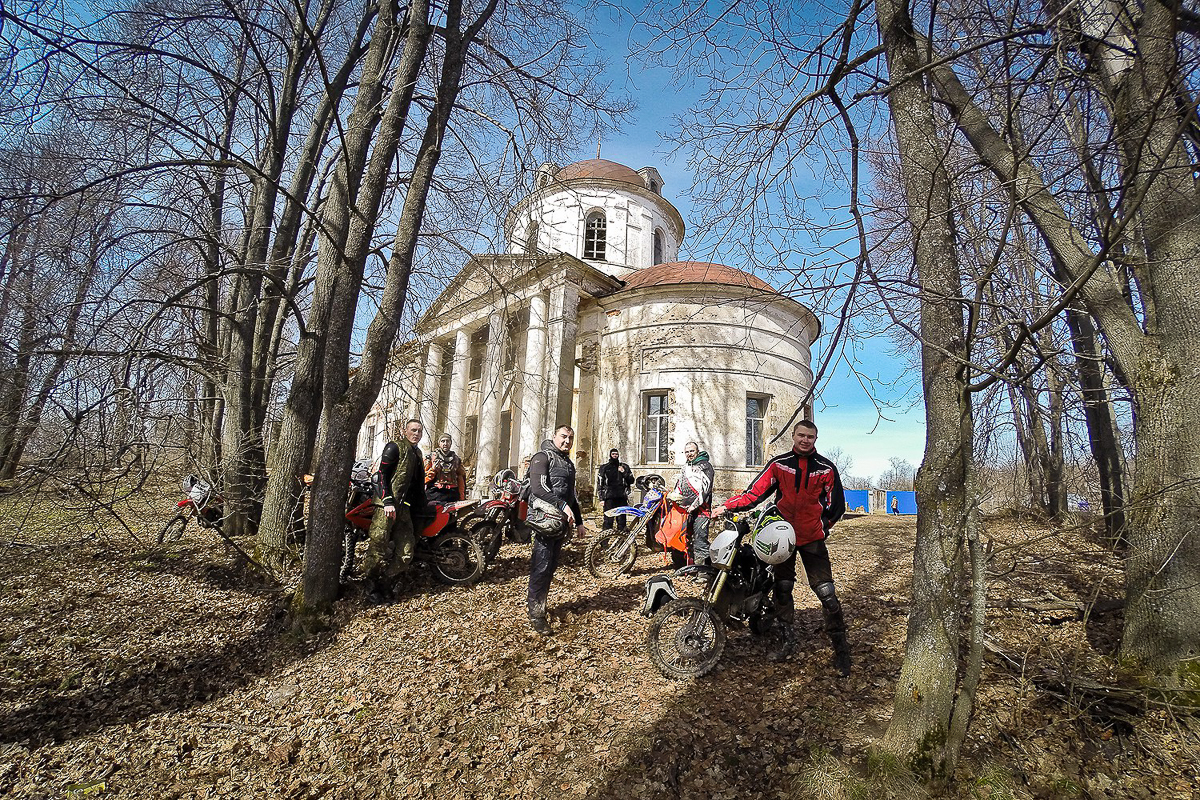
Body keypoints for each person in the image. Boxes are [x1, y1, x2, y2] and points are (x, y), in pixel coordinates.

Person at [713, 420, 850, 676]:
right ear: (794, 436)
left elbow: (837, 506)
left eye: (810, 436)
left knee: (827, 592)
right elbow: (755, 493)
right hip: (782, 537)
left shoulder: (826, 468)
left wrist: (822, 527)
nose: (805, 440)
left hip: (812, 539)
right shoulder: (779, 464)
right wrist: (727, 506)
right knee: (782, 588)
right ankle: (787, 640)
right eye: (801, 435)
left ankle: (841, 650)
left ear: (816, 439)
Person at [526, 425, 585, 635]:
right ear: (554, 436)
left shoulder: (568, 464)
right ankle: (536, 614)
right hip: (544, 521)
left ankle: (541, 604)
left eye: (570, 438)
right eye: (563, 437)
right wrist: (561, 505)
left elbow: (571, 496)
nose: (567, 441)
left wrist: (579, 522)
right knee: (541, 567)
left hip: (560, 523)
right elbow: (538, 488)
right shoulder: (542, 457)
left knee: (550, 567)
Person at [363, 419, 433, 587]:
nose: (416, 434)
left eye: (419, 431)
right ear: (405, 431)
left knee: (406, 551)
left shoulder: (417, 453)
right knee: (377, 547)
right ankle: (370, 587)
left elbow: (417, 483)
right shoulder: (394, 447)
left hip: (404, 508)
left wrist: (423, 504)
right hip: (386, 506)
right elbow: (380, 476)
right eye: (413, 430)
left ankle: (386, 582)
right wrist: (387, 500)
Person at [668, 441, 714, 566]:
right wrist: (673, 496)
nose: (689, 454)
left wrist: (694, 506)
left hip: (702, 510)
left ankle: (703, 571)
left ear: (697, 451)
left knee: (700, 539)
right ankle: (683, 566)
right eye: (687, 452)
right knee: (681, 537)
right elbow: (680, 485)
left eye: (692, 451)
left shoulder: (705, 466)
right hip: (684, 510)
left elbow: (706, 489)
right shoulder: (686, 466)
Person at [596, 448, 634, 531]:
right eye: (613, 454)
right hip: (609, 497)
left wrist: (624, 472)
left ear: (618, 455)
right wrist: (601, 499)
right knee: (608, 521)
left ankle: (622, 538)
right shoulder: (604, 468)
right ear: (610, 455)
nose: (615, 456)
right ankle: (605, 538)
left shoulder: (624, 467)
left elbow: (631, 480)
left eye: (616, 454)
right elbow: (600, 483)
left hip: (621, 497)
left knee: (622, 521)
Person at [425, 433, 467, 505]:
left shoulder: (456, 460)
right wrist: (433, 470)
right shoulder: (431, 458)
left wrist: (462, 497)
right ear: (439, 443)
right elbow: (423, 479)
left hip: (452, 493)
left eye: (447, 441)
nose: (445, 443)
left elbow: (461, 479)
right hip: (435, 492)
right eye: (443, 441)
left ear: (451, 443)